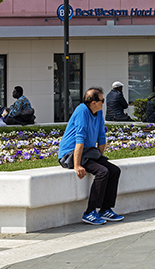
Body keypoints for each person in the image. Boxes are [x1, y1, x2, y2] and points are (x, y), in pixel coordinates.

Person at [58, 87, 124, 225]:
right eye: (102, 100)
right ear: (93, 102)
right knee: (102, 172)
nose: (103, 103)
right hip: (70, 153)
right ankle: (89, 212)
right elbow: (79, 139)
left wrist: (100, 157)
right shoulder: (82, 111)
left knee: (114, 170)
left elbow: (101, 135)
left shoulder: (98, 113)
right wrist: (76, 165)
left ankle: (105, 209)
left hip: (88, 152)